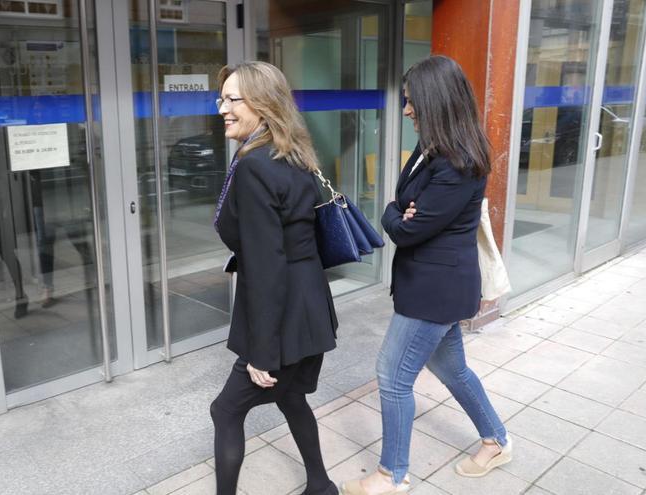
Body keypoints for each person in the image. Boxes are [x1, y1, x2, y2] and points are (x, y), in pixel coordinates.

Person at [340, 55, 512, 495]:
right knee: (454, 371)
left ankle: (391, 475)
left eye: (412, 101)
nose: (406, 109)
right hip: (433, 285)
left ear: (435, 101)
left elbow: (409, 228)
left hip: (434, 292)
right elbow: (401, 206)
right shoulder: (433, 148)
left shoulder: (456, 162)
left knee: (393, 377)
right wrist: (397, 212)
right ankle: (497, 441)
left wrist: (395, 217)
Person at [209, 61, 339, 495]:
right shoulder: (294, 154)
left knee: (226, 411)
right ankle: (321, 485)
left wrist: (261, 352)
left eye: (232, 99)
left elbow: (266, 264)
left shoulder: (254, 166)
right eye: (221, 98)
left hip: (282, 315)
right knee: (290, 396)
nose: (221, 107)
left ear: (263, 104)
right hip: (308, 305)